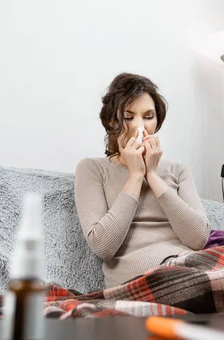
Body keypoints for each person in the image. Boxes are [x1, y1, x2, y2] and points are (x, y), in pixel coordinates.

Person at [75, 73, 210, 288]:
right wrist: (136, 175)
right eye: (129, 117)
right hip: (140, 284)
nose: (140, 127)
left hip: (189, 272)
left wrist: (153, 175)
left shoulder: (178, 169)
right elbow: (102, 245)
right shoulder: (92, 169)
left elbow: (199, 238)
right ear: (112, 121)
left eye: (148, 117)